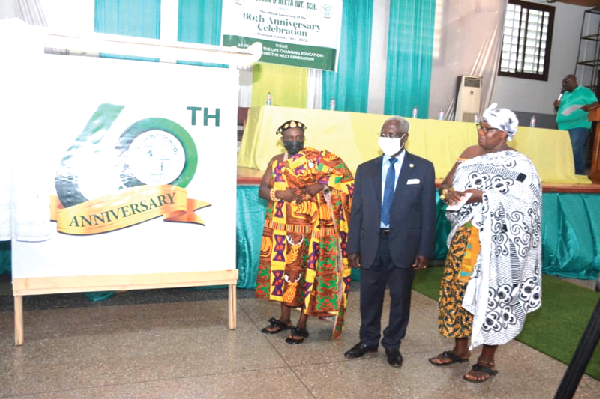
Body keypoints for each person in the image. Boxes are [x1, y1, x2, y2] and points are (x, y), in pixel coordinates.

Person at [429, 103, 542, 383]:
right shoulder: (468, 154)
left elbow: (528, 205)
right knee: (456, 293)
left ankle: (486, 360)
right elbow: (446, 185)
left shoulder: (520, 164)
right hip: (464, 238)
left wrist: (485, 196)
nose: (482, 133)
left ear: (503, 133)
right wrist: (449, 195)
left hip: (498, 247)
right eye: (480, 127)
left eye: (488, 129)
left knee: (491, 297)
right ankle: (460, 350)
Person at [344, 116, 436, 368]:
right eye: (384, 134)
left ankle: (393, 344)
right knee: (369, 297)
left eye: (393, 135)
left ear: (405, 138)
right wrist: (353, 246)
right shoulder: (366, 168)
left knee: (400, 298)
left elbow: (429, 212)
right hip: (372, 244)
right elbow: (357, 212)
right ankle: (368, 341)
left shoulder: (423, 168)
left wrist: (424, 249)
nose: (387, 139)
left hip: (405, 245)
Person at [255, 120, 355, 344]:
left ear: (303, 138)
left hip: (308, 230)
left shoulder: (317, 160)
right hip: (279, 229)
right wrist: (282, 195)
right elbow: (263, 190)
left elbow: (347, 180)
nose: (294, 141)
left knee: (303, 274)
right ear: (282, 139)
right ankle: (284, 319)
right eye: (289, 138)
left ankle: (302, 324)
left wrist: (322, 185)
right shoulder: (276, 162)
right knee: (282, 275)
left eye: (298, 137)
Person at [553, 74, 598, 174]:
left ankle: (579, 173)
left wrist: (588, 107)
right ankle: (566, 172)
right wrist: (556, 106)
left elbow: (595, 103)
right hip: (563, 127)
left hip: (579, 125)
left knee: (575, 147)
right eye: (563, 83)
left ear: (573, 81)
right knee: (564, 150)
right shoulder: (564, 95)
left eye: (566, 83)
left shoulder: (584, 91)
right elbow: (560, 110)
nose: (564, 86)